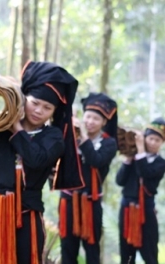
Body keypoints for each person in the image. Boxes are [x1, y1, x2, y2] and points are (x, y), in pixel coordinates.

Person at [0, 61, 82, 264]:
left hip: (27, 215)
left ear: (54, 112)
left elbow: (36, 160)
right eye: (35, 103)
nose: (38, 110)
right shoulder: (0, 129)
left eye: (47, 108)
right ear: (23, 98)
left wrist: (16, 129)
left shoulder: (53, 137)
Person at [58, 92, 118, 264]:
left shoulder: (109, 143)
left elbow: (95, 160)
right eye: (88, 117)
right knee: (67, 248)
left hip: (91, 203)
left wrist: (83, 137)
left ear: (104, 122)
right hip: (68, 201)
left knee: (92, 249)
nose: (90, 122)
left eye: (96, 119)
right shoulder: (69, 137)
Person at [116, 117, 165, 264]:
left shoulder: (160, 163)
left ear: (162, 143)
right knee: (126, 252)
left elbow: (146, 172)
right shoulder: (135, 158)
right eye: (150, 138)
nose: (153, 143)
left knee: (149, 251)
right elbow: (120, 181)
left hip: (146, 211)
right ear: (145, 138)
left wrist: (140, 151)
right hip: (127, 209)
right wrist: (128, 159)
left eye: (158, 140)